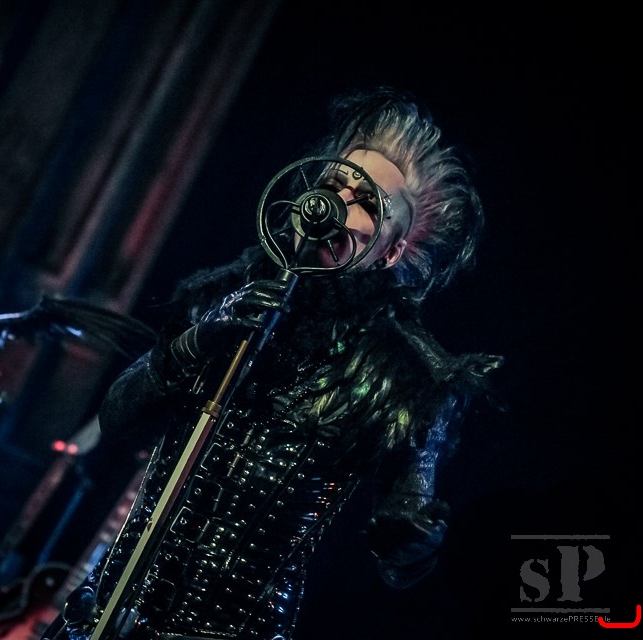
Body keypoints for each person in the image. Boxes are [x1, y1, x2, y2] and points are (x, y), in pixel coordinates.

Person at [40, 85, 504, 640]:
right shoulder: (225, 294)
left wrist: (414, 542)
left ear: (392, 250)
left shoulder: (403, 377)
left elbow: (402, 553)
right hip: (104, 616)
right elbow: (117, 419)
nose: (336, 200)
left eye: (365, 200)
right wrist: (196, 342)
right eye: (333, 182)